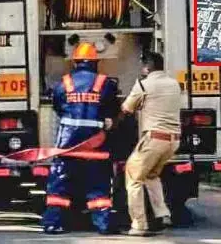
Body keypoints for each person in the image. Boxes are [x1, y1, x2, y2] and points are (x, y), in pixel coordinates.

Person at [41, 42, 119, 235]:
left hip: (69, 146)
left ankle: (53, 223)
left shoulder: (64, 82)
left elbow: (58, 107)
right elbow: (112, 109)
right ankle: (103, 225)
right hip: (95, 147)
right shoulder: (105, 83)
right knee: (98, 187)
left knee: (59, 186)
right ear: (96, 62)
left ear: (75, 62)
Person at [121, 51, 182, 237]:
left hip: (154, 140)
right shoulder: (174, 84)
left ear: (148, 66)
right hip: (172, 142)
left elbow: (126, 108)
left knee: (133, 177)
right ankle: (162, 215)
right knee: (151, 175)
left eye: (143, 65)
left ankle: (139, 225)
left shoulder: (143, 85)